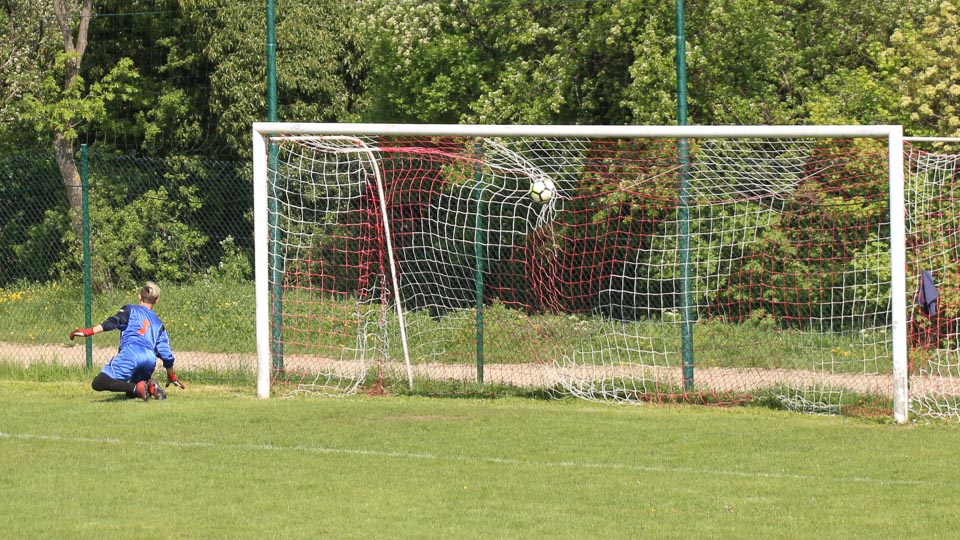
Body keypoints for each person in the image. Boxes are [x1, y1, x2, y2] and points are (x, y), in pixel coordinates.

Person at [70, 281, 186, 400]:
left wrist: (89, 331)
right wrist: (171, 375)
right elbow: (166, 354)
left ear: (139, 296)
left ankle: (139, 387)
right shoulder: (158, 323)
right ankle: (149, 386)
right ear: (157, 300)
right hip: (149, 358)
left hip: (132, 352)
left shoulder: (130, 310)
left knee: (99, 382)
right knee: (131, 391)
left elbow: (113, 322)